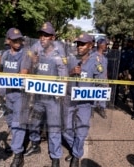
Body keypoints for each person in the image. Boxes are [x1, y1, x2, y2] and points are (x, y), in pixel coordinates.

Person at [24, 22, 68, 167]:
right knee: (34, 122)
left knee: (54, 125)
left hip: (52, 97)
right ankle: (35, 144)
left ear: (53, 37)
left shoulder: (59, 51)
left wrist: (62, 92)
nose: (43, 38)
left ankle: (55, 156)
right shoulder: (36, 46)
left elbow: (63, 73)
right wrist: (31, 61)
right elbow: (28, 57)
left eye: (46, 35)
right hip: (37, 95)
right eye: (41, 34)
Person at [0, 27, 32, 167]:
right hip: (8, 94)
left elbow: (23, 73)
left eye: (19, 39)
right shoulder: (4, 54)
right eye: (14, 39)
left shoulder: (25, 54)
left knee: (18, 122)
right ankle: (17, 143)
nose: (18, 42)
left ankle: (18, 154)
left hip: (21, 94)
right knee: (10, 121)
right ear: (8, 40)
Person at [62, 32, 94, 167]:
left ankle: (76, 155)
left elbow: (103, 83)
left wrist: (100, 101)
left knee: (81, 129)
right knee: (65, 127)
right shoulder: (71, 59)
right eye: (78, 44)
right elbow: (62, 76)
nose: (79, 46)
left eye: (82, 44)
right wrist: (71, 72)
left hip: (85, 102)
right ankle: (75, 146)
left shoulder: (96, 62)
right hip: (70, 99)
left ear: (90, 46)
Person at [91, 38, 108, 119]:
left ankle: (102, 109)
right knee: (93, 95)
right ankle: (91, 110)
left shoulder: (105, 58)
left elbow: (105, 70)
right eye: (106, 45)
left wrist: (107, 80)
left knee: (102, 96)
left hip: (103, 80)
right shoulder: (93, 56)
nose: (107, 46)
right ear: (101, 45)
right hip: (94, 80)